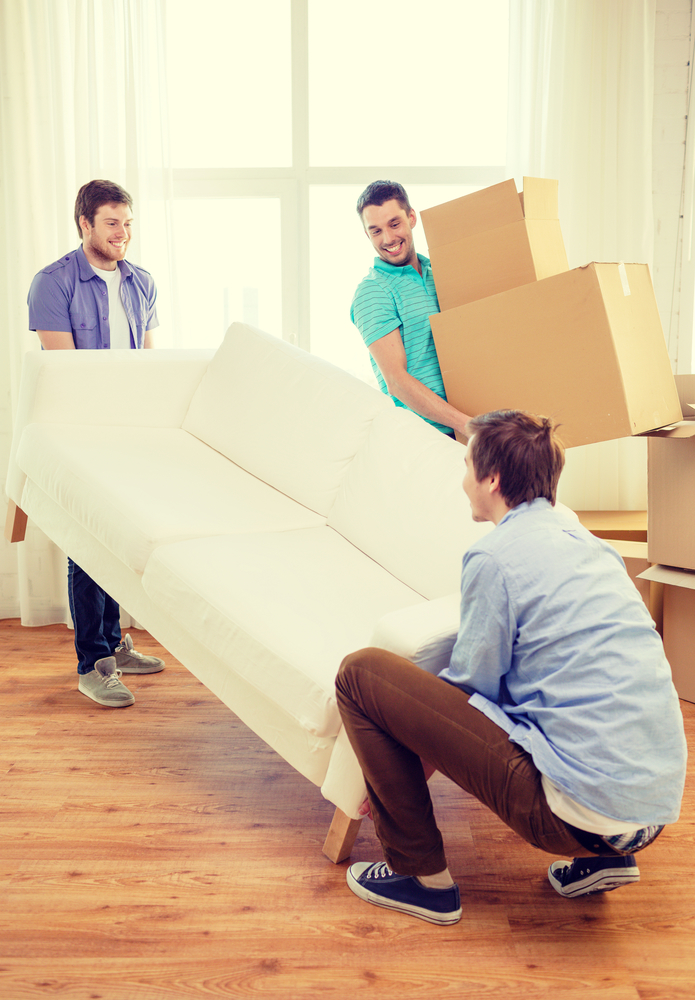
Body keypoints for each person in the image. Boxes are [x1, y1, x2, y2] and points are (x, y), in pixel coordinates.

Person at [336, 410, 687, 925]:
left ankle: (421, 878)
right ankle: (605, 861)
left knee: (359, 673)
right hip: (650, 812)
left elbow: (469, 691)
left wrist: (403, 764)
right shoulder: (591, 548)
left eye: (466, 467)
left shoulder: (494, 558)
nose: (462, 482)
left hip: (581, 817)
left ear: (492, 479)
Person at [27, 179, 165, 708]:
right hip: (80, 433)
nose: (123, 234)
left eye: (128, 223)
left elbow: (151, 365)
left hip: (131, 433)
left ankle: (115, 645)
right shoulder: (53, 283)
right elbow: (65, 377)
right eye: (112, 223)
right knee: (86, 546)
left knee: (118, 539)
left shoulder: (141, 281)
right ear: (85, 224)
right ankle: (93, 664)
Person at [350, 180, 472, 438]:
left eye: (394, 224)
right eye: (376, 231)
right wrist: (466, 425)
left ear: (412, 217)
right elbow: (396, 382)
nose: (388, 239)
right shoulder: (372, 292)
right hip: (424, 437)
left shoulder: (441, 273)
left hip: (469, 428)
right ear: (367, 235)